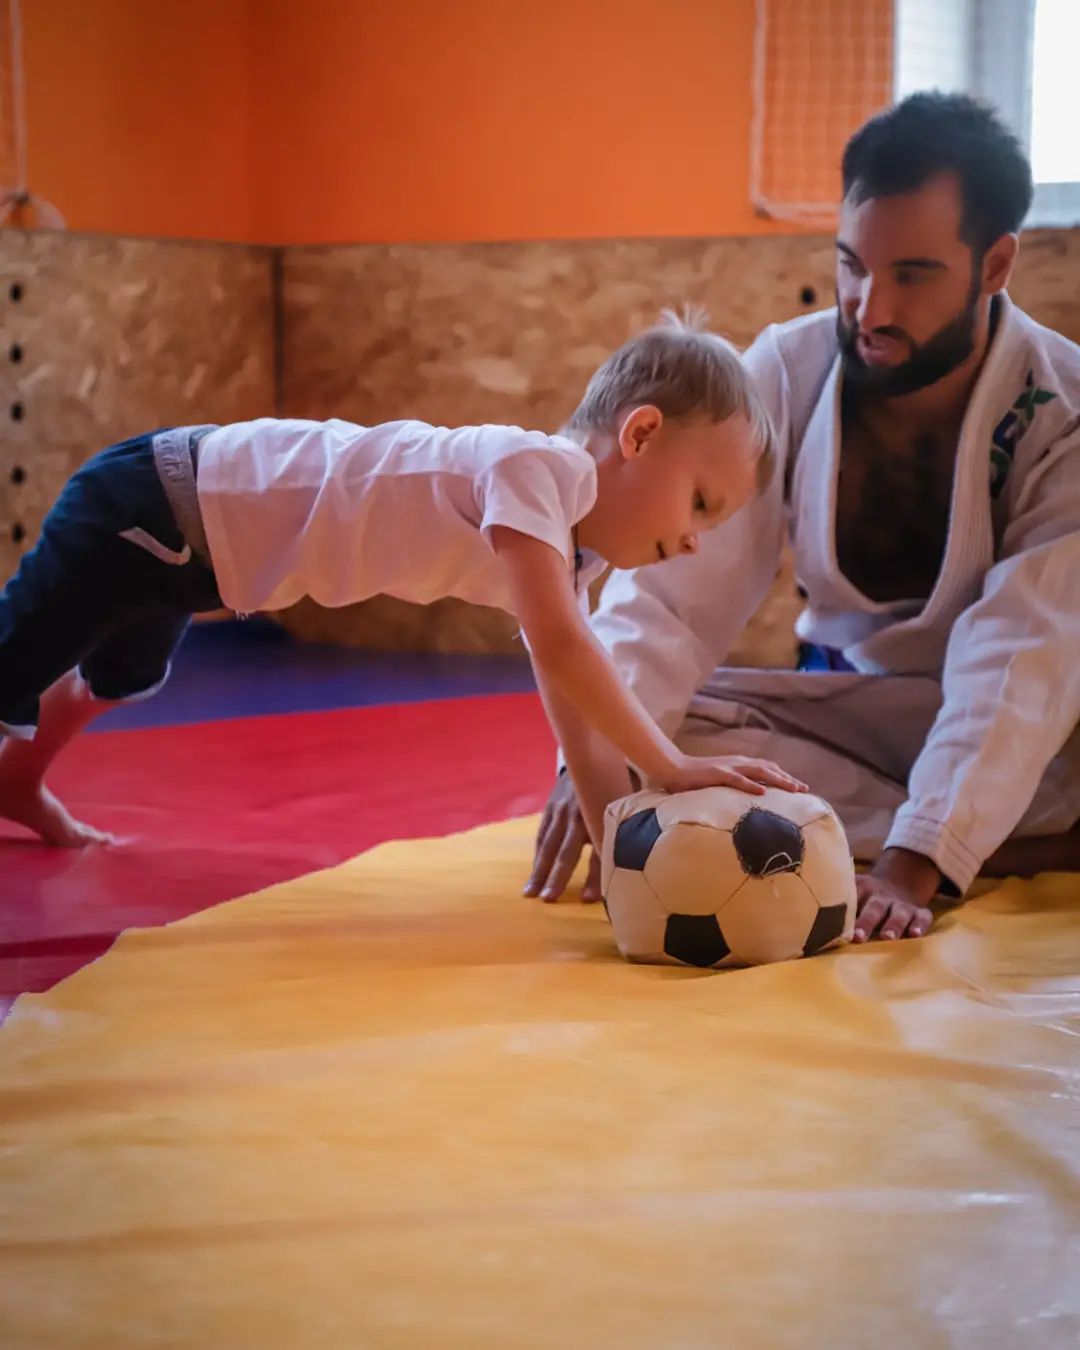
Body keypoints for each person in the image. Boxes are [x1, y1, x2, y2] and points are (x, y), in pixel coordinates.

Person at [525, 93, 1080, 942]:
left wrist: (916, 861)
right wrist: (593, 762)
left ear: (996, 263)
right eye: (853, 265)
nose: (871, 308)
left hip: (1039, 729)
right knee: (662, 730)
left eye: (913, 275)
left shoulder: (1062, 411)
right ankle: (1012, 844)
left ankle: (949, 831)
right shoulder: (788, 368)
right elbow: (673, 600)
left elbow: (1027, 654)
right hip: (857, 717)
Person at [0, 312, 807, 850]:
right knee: (11, 666)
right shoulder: (538, 470)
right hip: (151, 501)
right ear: (641, 434)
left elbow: (572, 708)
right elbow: (565, 649)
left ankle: (18, 780)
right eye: (700, 503)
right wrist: (669, 764)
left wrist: (616, 846)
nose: (695, 541)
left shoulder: (566, 556)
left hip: (194, 562)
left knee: (124, 674)